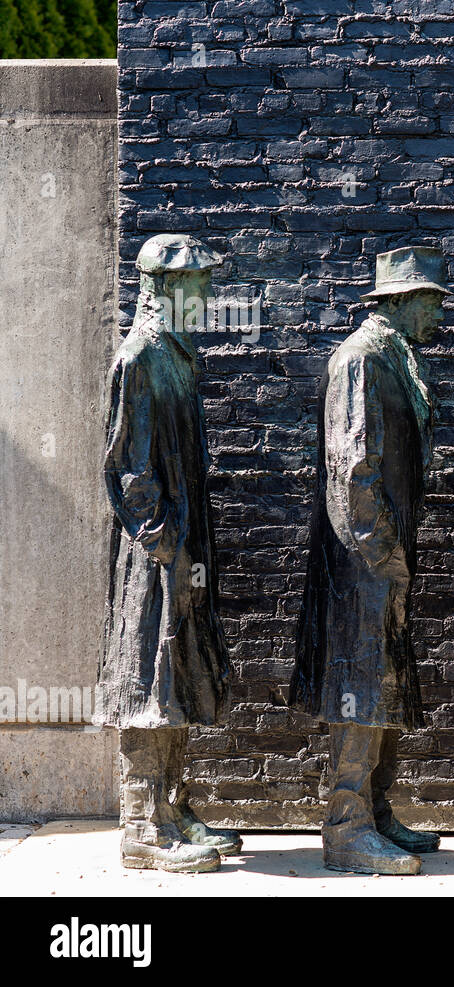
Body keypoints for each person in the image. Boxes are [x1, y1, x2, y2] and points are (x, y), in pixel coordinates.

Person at [292, 246, 450, 875]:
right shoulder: (360, 360)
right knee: (360, 681)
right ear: (402, 301)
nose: (439, 314)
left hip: (385, 554)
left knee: (384, 679)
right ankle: (346, 827)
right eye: (432, 301)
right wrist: (383, 552)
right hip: (363, 558)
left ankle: (376, 810)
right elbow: (354, 466)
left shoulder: (396, 358)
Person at [99, 233, 241, 873]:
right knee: (147, 677)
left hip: (185, 543)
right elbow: (128, 471)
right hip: (155, 553)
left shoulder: (177, 356)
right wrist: (163, 545)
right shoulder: (141, 358)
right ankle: (141, 825)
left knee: (177, 673)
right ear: (162, 288)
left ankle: (172, 807)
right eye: (196, 282)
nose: (206, 293)